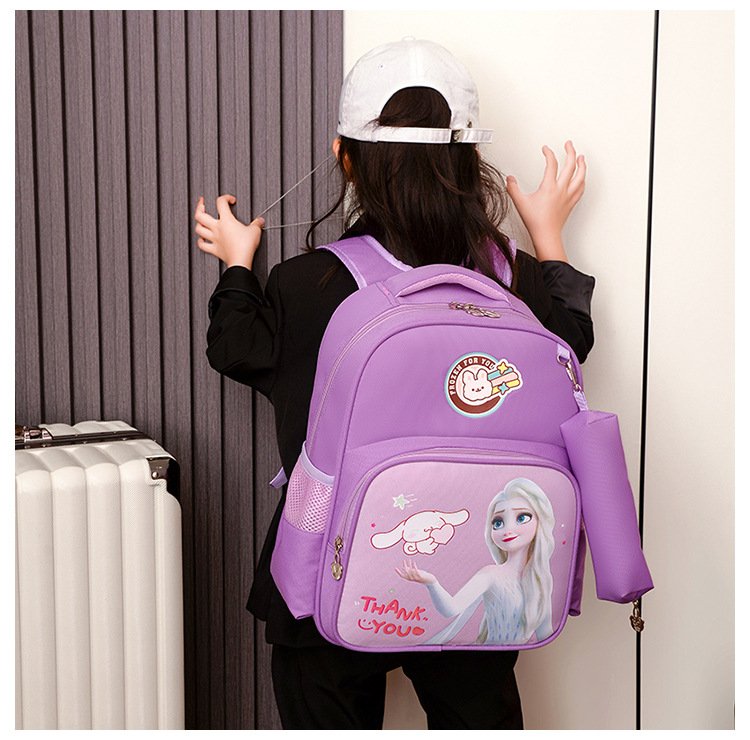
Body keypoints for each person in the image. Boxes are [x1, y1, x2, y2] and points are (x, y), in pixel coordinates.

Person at [195, 38, 594, 730]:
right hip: (475, 560)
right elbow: (572, 343)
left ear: (346, 157)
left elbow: (236, 348)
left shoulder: (307, 283)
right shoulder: (513, 279)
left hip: (328, 565)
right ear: (467, 160)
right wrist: (548, 237)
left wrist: (237, 264)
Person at [396, 477, 556, 646]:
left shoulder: (540, 580)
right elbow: (451, 608)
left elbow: (545, 633)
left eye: (522, 517)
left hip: (506, 656)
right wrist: (432, 583)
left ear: (540, 521)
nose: (508, 529)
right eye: (498, 522)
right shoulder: (491, 574)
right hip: (484, 654)